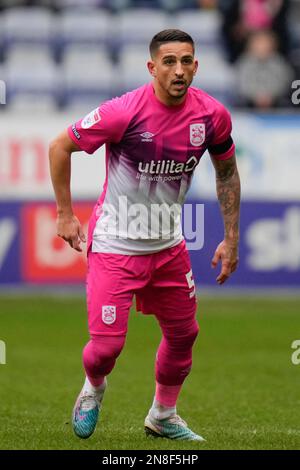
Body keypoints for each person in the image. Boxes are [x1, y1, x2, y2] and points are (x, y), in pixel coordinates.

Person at [49, 29, 240, 442]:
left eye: (186, 60)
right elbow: (60, 146)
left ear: (196, 66)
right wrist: (65, 214)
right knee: (105, 351)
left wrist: (231, 236)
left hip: (169, 247)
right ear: (152, 67)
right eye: (169, 61)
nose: (179, 69)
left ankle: (163, 414)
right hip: (116, 245)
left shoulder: (212, 115)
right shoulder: (124, 112)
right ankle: (94, 387)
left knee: (185, 334)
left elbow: (226, 172)